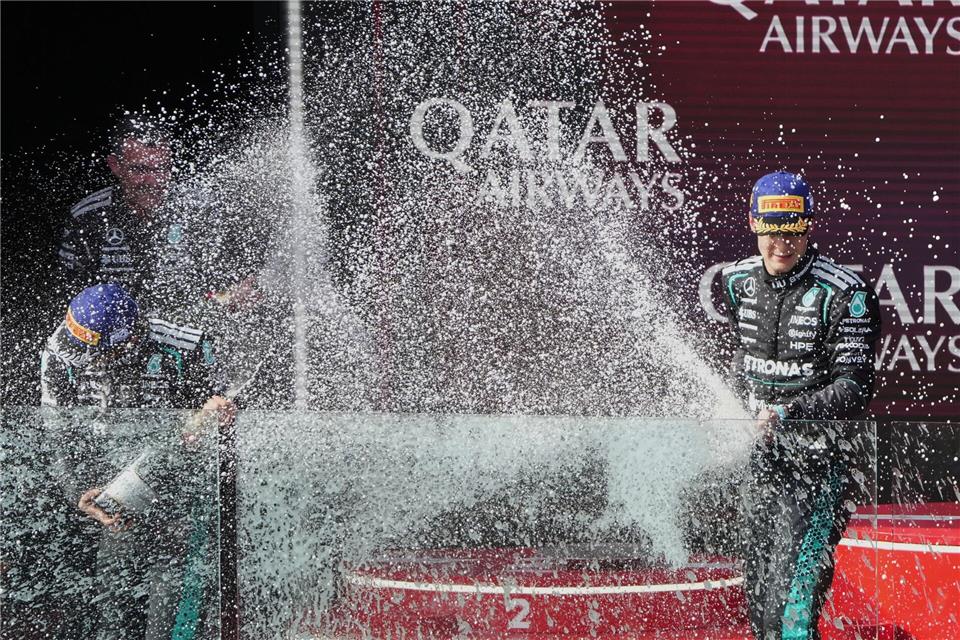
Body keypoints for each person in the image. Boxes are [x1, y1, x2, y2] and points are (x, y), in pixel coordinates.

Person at [720, 171, 881, 640]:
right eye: (773, 230)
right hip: (761, 463)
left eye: (794, 230)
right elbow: (741, 358)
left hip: (822, 468)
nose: (783, 243)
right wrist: (736, 406)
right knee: (756, 605)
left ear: (809, 227)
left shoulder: (843, 292)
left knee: (787, 614)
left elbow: (854, 387)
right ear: (753, 223)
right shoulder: (736, 282)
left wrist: (787, 414)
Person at [41, 282, 235, 640]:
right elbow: (58, 435)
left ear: (128, 340)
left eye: (95, 354)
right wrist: (79, 492)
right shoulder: (59, 351)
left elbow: (222, 400)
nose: (83, 359)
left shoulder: (185, 345)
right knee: (111, 607)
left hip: (175, 492)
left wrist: (216, 406)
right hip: (108, 494)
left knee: (168, 604)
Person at [55, 118, 249, 321]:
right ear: (115, 166)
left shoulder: (201, 211)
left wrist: (238, 293)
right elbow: (68, 296)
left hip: (189, 331)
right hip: (116, 340)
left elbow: (235, 279)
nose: (153, 181)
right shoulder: (87, 217)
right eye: (140, 170)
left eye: (161, 169)